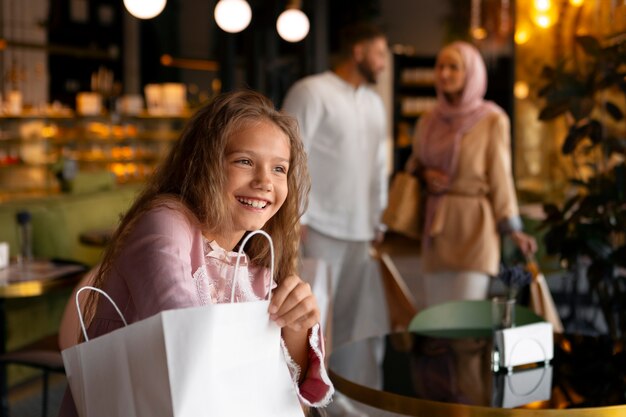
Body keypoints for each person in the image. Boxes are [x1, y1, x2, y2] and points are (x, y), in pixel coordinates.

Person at [59, 90, 334, 416]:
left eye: (279, 169)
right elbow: (185, 341)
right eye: (244, 162)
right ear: (203, 164)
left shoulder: (256, 251)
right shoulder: (165, 221)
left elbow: (287, 391)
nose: (265, 182)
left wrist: (297, 324)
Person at [282, 21, 389, 417]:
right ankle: (308, 407)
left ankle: (345, 404)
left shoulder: (375, 104)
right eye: (379, 54)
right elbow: (289, 153)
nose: (383, 63)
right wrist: (296, 216)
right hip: (319, 227)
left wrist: (380, 217)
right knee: (311, 328)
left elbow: (379, 165)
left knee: (353, 327)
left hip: (363, 231)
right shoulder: (311, 91)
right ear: (358, 51)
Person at [405, 41, 537, 307]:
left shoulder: (492, 120)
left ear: (472, 73)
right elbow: (414, 164)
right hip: (437, 230)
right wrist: (425, 173)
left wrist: (514, 229)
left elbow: (500, 177)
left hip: (476, 227)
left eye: (454, 67)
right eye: (440, 66)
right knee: (438, 320)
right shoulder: (427, 121)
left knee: (466, 318)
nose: (444, 74)